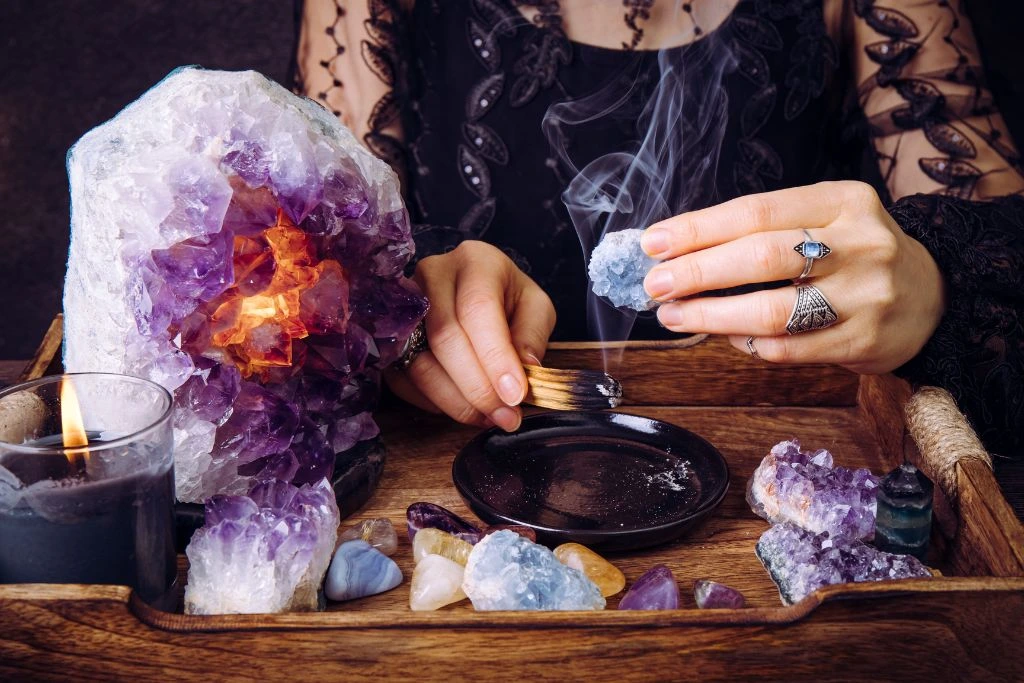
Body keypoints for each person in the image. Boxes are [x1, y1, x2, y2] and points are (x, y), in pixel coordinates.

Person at [295, 0, 1024, 456]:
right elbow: (291, 263)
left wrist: (934, 285)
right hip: (466, 472)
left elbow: (1005, 243)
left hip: (784, 467)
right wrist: (410, 292)